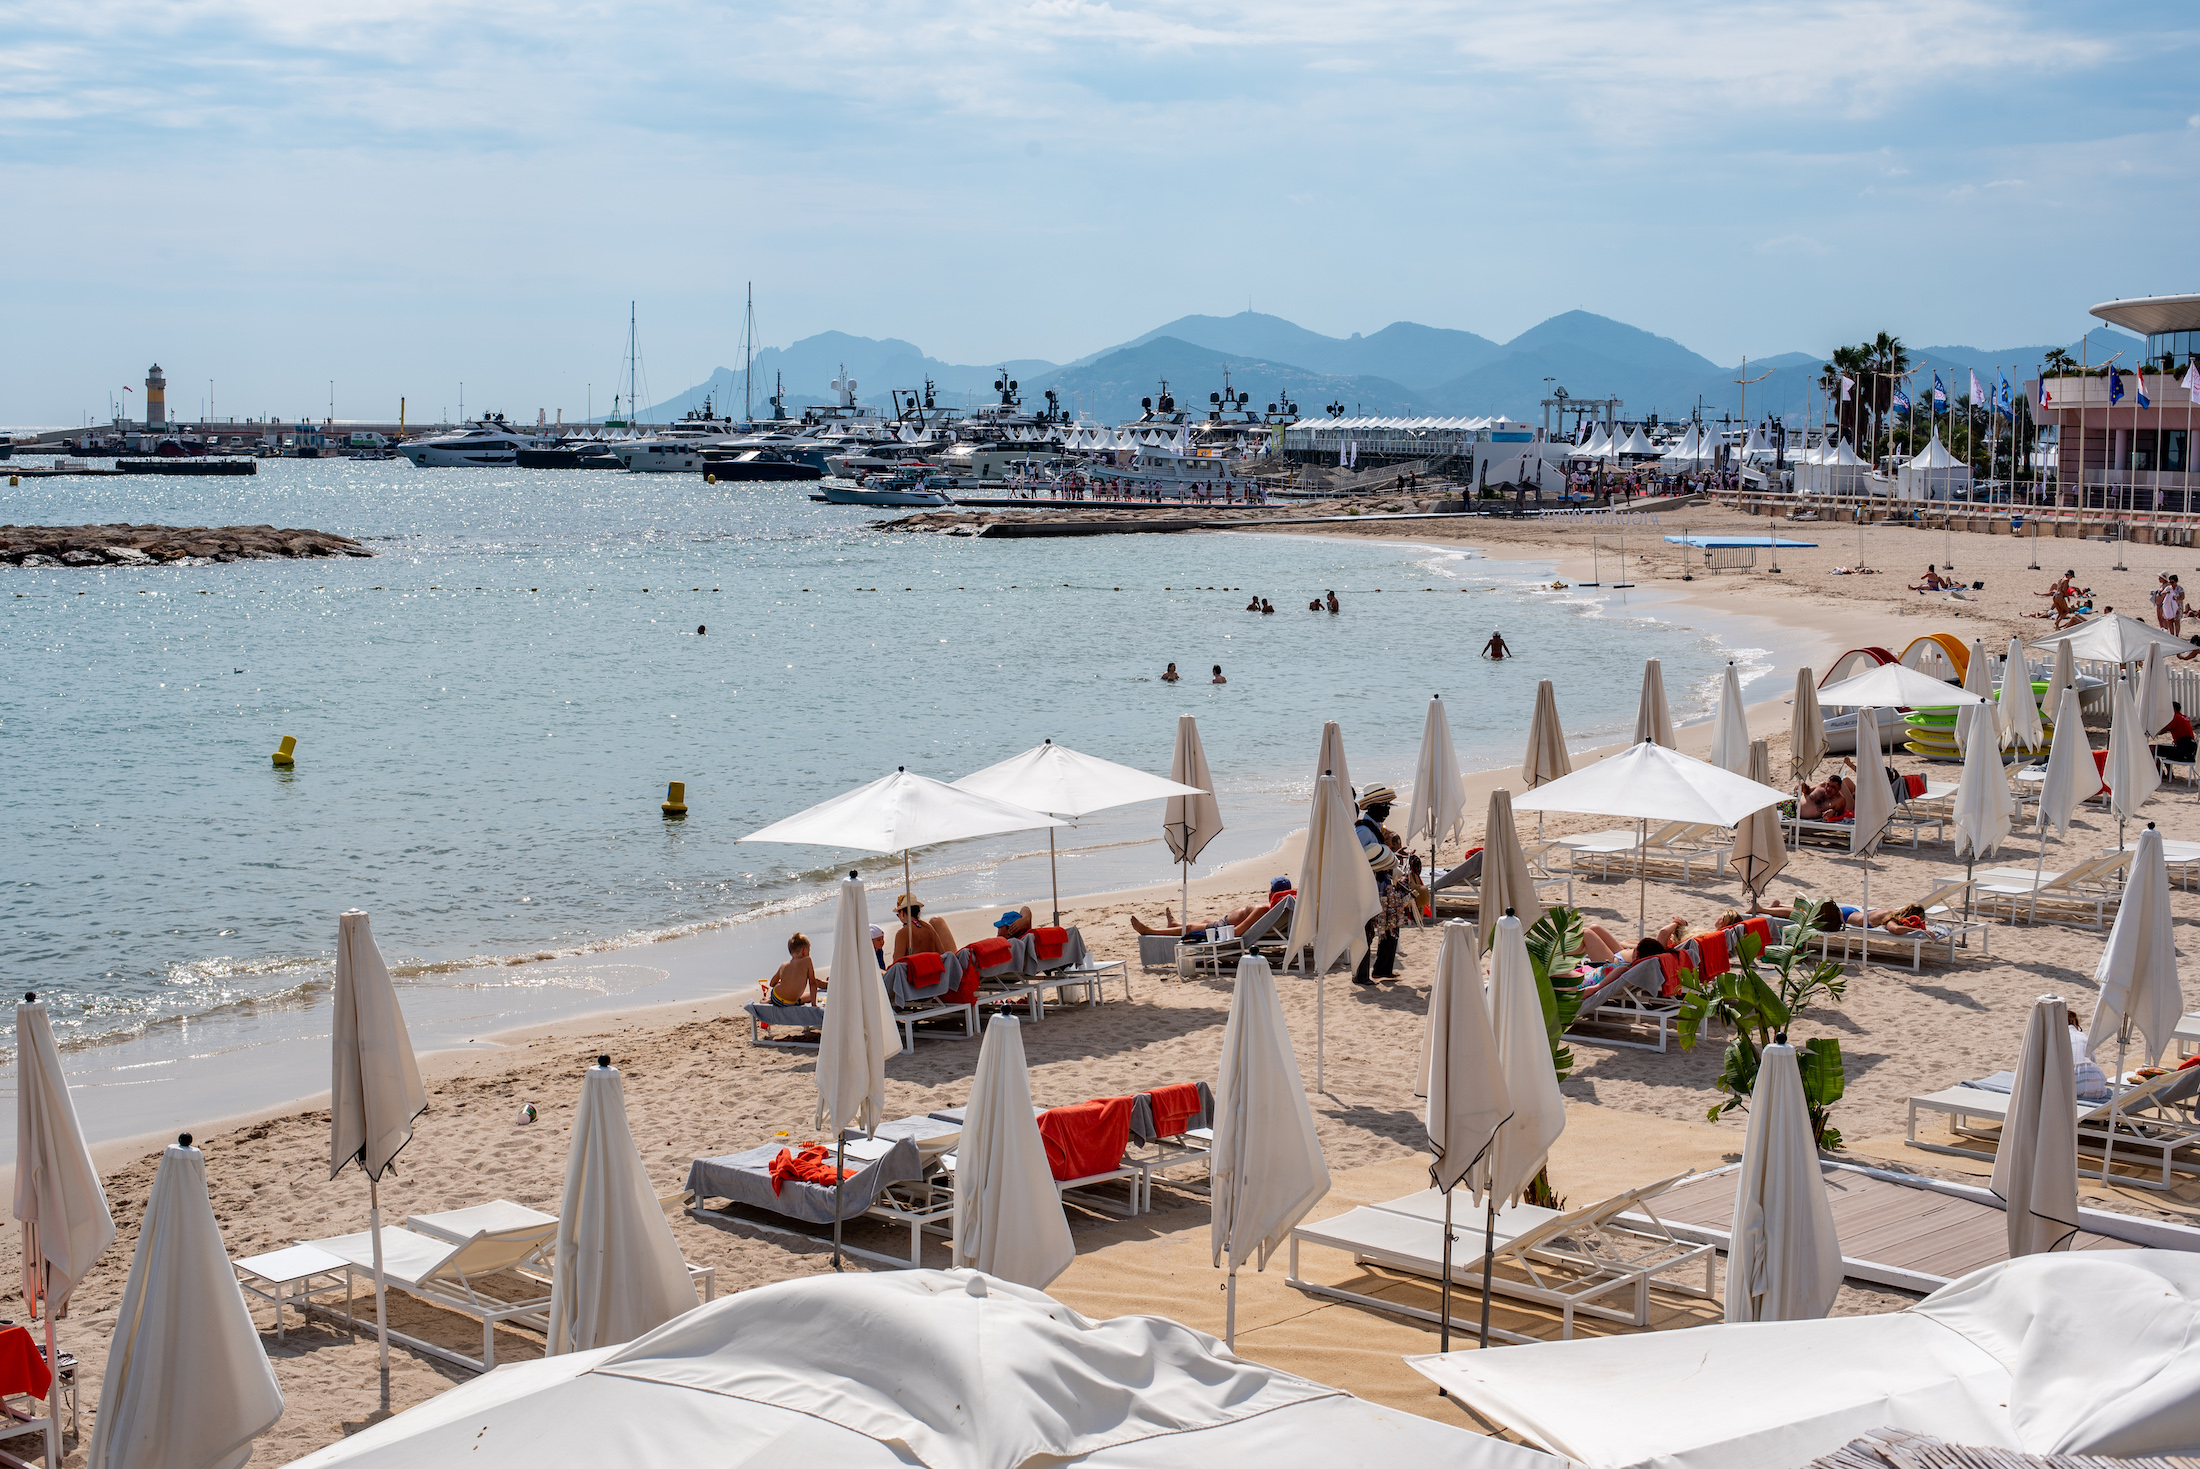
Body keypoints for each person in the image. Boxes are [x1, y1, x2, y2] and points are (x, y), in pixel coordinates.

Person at [1352, 786, 1405, 985]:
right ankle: (1360, 975)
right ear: (1372, 807)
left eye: (1388, 806)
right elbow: (1356, 859)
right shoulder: (1363, 831)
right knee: (1367, 930)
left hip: (1380, 885)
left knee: (1390, 926)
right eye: (1384, 807)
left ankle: (1382, 969)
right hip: (1368, 887)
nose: (1388, 811)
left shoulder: (1374, 828)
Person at [1130, 877, 1293, 938]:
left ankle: (1149, 931)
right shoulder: (1285, 908)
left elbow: (1238, 931)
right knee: (1207, 920)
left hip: (1225, 928)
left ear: (1271, 892)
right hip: (1223, 923)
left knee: (1191, 928)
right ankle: (1174, 925)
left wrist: (1218, 934)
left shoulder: (1263, 910)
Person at [1582, 916, 1688, 966]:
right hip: (1619, 953)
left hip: (1612, 963)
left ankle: (1567, 957)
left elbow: (1663, 932)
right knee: (1594, 928)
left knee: (1586, 933)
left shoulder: (1662, 949)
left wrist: (1677, 923)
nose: (1669, 937)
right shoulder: (1658, 950)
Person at [891, 893, 956, 963]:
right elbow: (942, 954)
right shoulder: (929, 927)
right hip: (934, 970)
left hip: (916, 972)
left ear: (902, 913)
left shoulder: (902, 933)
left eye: (898, 915)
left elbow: (897, 965)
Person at [768, 932, 827, 1005]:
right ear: (804, 951)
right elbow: (812, 983)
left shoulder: (783, 965)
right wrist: (814, 1005)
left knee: (806, 995)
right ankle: (770, 999)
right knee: (810, 996)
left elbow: (772, 983)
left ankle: (770, 999)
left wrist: (785, 984)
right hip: (791, 1002)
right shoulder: (807, 960)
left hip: (776, 998)